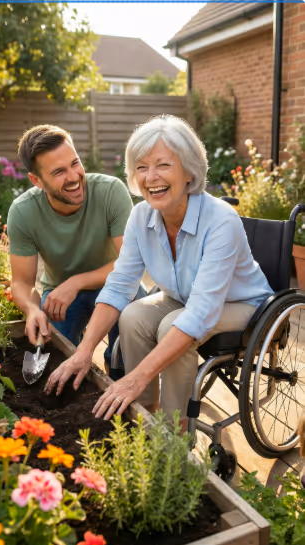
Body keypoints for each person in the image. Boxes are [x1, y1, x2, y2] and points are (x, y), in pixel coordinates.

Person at [45, 114, 273, 422]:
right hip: (183, 299)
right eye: (141, 167)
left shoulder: (221, 220)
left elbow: (200, 312)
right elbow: (119, 285)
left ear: (189, 170)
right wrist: (84, 351)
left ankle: (173, 432)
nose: (151, 177)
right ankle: (142, 414)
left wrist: (136, 374)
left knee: (172, 328)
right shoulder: (141, 217)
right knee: (133, 315)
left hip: (243, 306)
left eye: (163, 165)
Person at [7, 124, 143, 369]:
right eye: (58, 172)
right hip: (61, 298)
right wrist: (31, 309)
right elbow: (21, 282)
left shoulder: (110, 191)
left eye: (75, 163)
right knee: (56, 358)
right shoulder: (23, 211)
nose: (73, 177)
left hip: (118, 285)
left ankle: (119, 381)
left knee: (127, 351)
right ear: (36, 180)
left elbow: (130, 264)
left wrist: (76, 282)